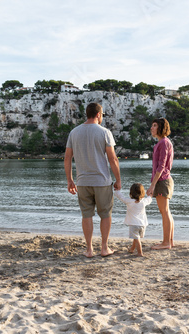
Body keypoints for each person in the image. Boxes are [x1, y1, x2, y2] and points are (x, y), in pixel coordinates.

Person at [64, 103, 121, 258]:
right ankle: (104, 248)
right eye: (102, 114)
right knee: (105, 214)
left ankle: (89, 249)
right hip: (102, 181)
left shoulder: (74, 133)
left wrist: (70, 180)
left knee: (86, 215)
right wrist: (118, 180)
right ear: (98, 114)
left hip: (82, 182)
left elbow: (68, 158)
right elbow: (113, 159)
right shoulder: (105, 132)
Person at [147, 118, 174, 250]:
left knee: (164, 212)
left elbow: (161, 166)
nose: (152, 128)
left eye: (154, 126)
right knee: (166, 212)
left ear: (161, 128)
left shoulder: (163, 143)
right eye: (152, 126)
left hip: (162, 180)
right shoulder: (162, 143)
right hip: (163, 180)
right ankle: (169, 241)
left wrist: (152, 185)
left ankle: (166, 242)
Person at [114, 183, 153, 257]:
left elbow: (121, 197)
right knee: (136, 238)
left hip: (133, 224)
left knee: (137, 239)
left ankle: (140, 253)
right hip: (143, 224)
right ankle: (132, 249)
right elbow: (149, 199)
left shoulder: (129, 201)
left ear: (131, 193)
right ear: (142, 193)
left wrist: (117, 191)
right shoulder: (143, 201)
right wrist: (150, 195)